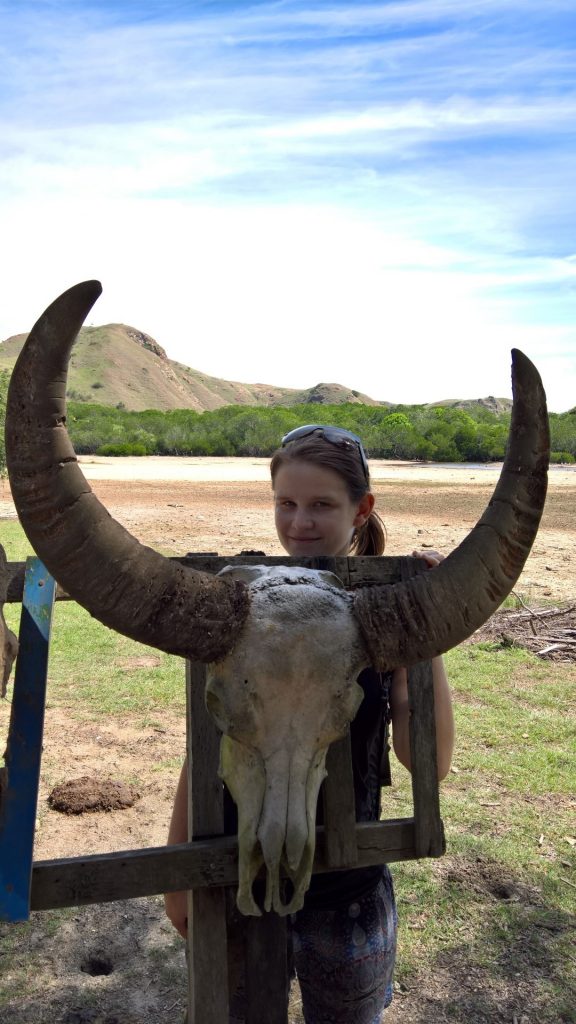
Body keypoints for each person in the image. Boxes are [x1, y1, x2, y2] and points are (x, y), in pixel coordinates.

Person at [165, 424, 455, 1024]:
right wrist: (178, 870)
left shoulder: (387, 615)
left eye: (322, 505)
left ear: (361, 509)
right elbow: (209, 741)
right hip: (231, 873)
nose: (300, 522)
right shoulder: (240, 604)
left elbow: (429, 758)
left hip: (349, 893)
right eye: (286, 503)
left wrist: (429, 625)